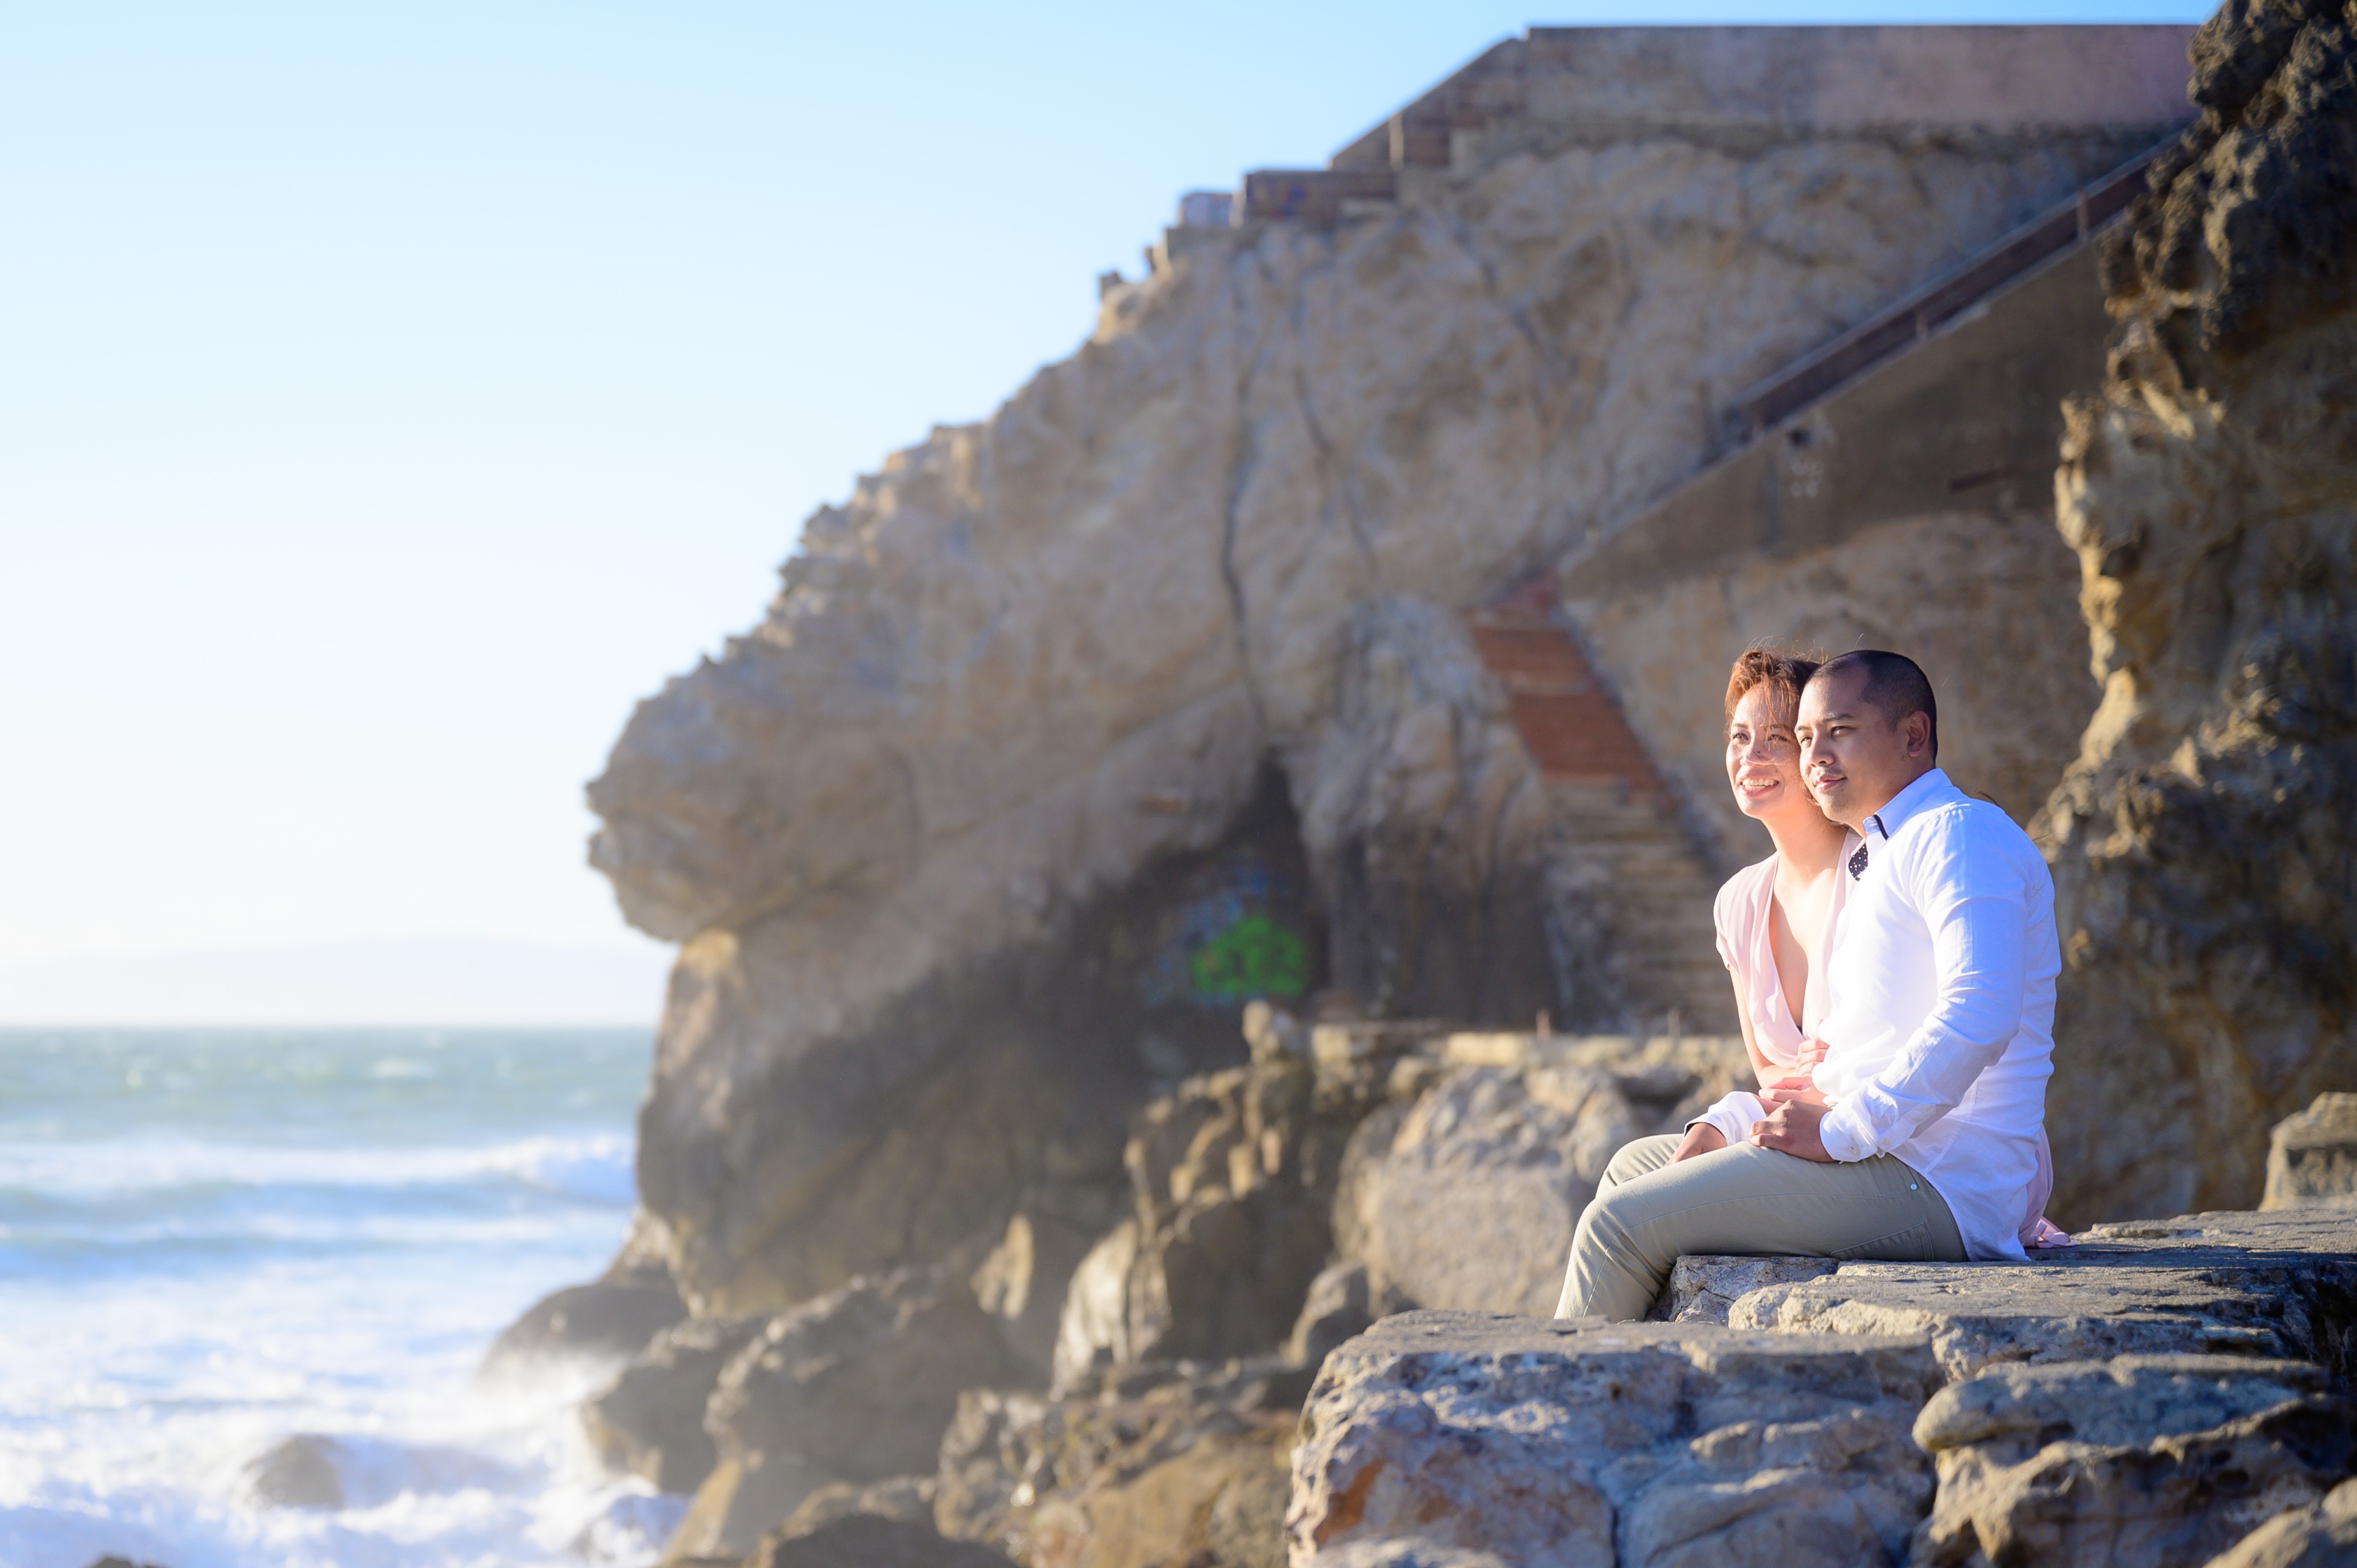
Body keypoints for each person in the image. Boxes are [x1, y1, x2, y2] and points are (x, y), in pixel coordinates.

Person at [1554, 650, 2061, 1321]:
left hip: (1939, 1181)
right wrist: (1740, 1120)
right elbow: (1829, 1058)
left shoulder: (1961, 834)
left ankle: (1569, 1417)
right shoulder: (1879, 860)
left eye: (1840, 730)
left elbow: (1981, 1012)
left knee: (1615, 1226)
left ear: (1912, 735)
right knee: (1630, 1170)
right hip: (1881, 1155)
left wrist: (1843, 1131)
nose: (1815, 753)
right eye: (1807, 737)